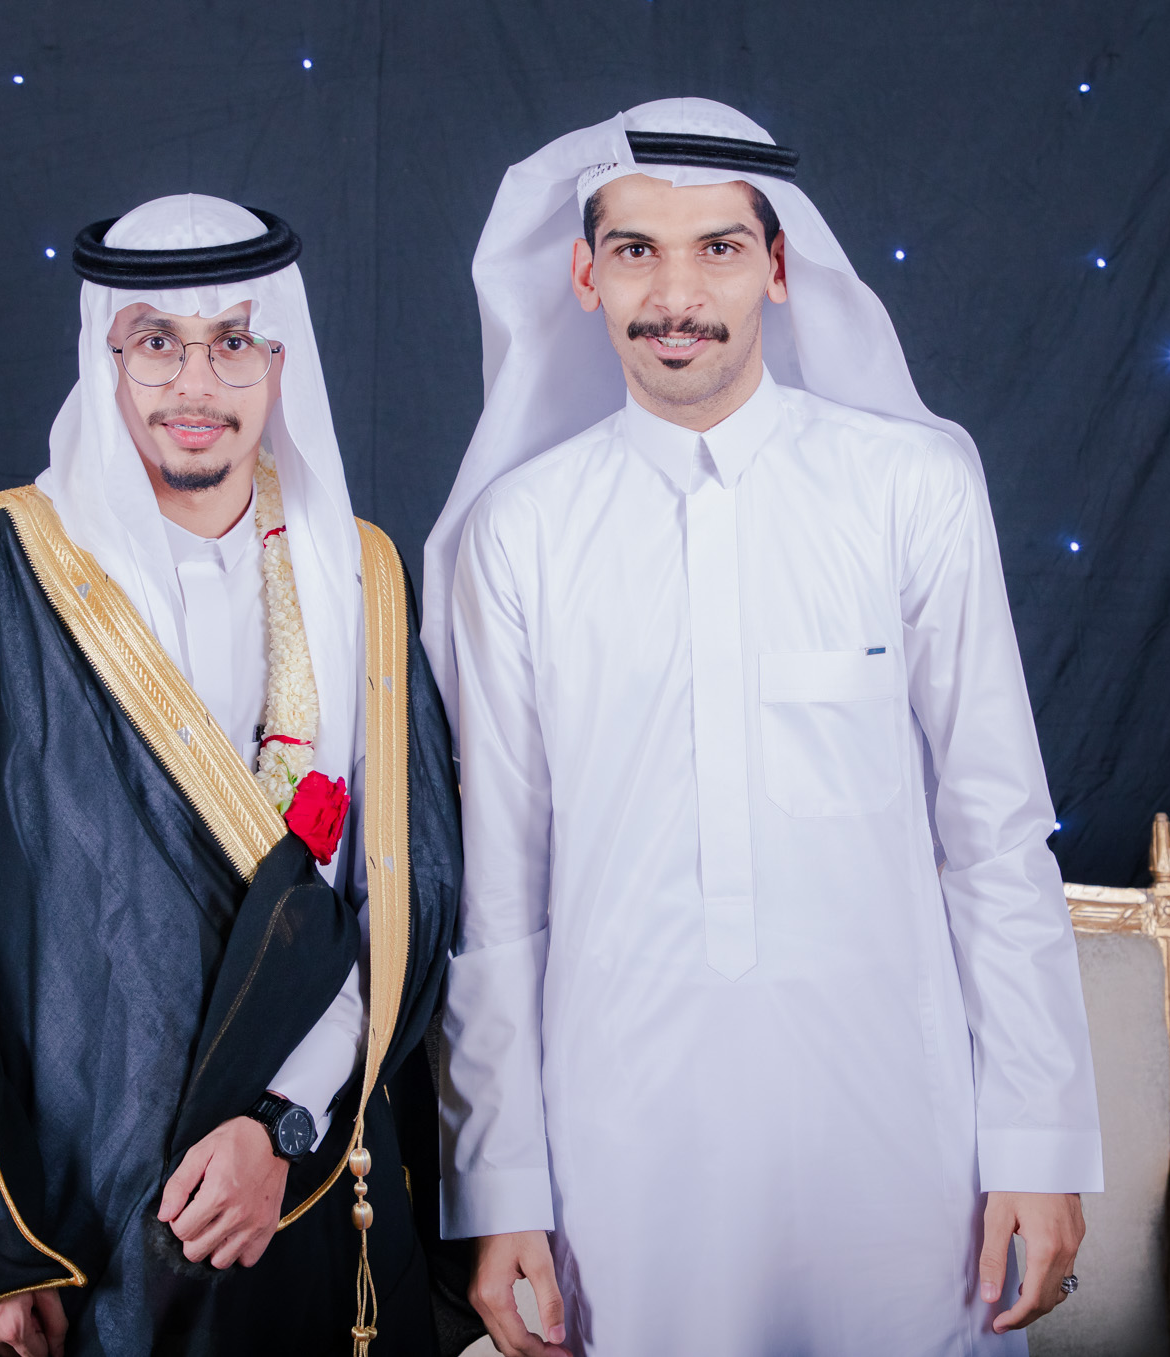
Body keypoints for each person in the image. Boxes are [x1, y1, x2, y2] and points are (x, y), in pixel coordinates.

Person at [422, 100, 1103, 1355]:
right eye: (635, 250)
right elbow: (500, 894)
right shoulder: (517, 534)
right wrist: (502, 1186)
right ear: (581, 273)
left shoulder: (911, 489)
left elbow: (994, 835)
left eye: (718, 249)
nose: (675, 294)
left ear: (778, 268)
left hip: (904, 1149)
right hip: (622, 1157)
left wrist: (1036, 1138)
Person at [0, 194, 463, 1357]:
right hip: (67, 1212)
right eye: (156, 342)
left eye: (232, 342)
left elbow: (402, 899)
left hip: (297, 1183)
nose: (195, 384)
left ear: (279, 362)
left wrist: (284, 1124)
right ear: (106, 357)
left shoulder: (358, 576)